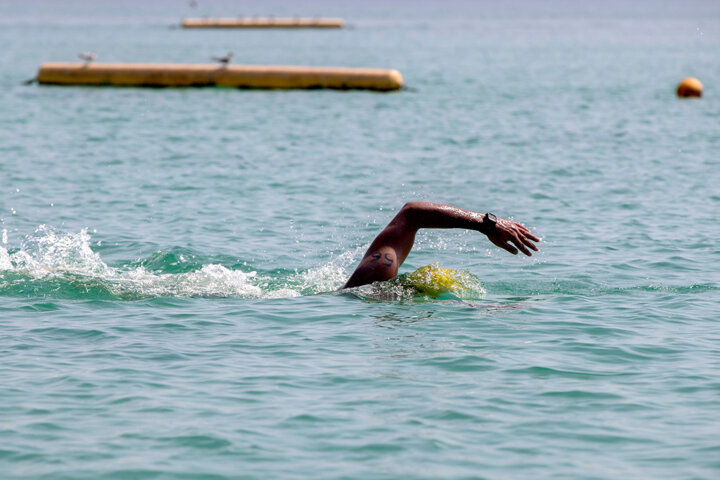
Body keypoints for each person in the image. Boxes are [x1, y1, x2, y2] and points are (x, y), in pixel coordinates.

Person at [341, 201, 540, 289]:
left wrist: (486, 224)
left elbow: (412, 213)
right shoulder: (368, 282)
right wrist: (486, 224)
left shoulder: (369, 280)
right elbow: (411, 213)